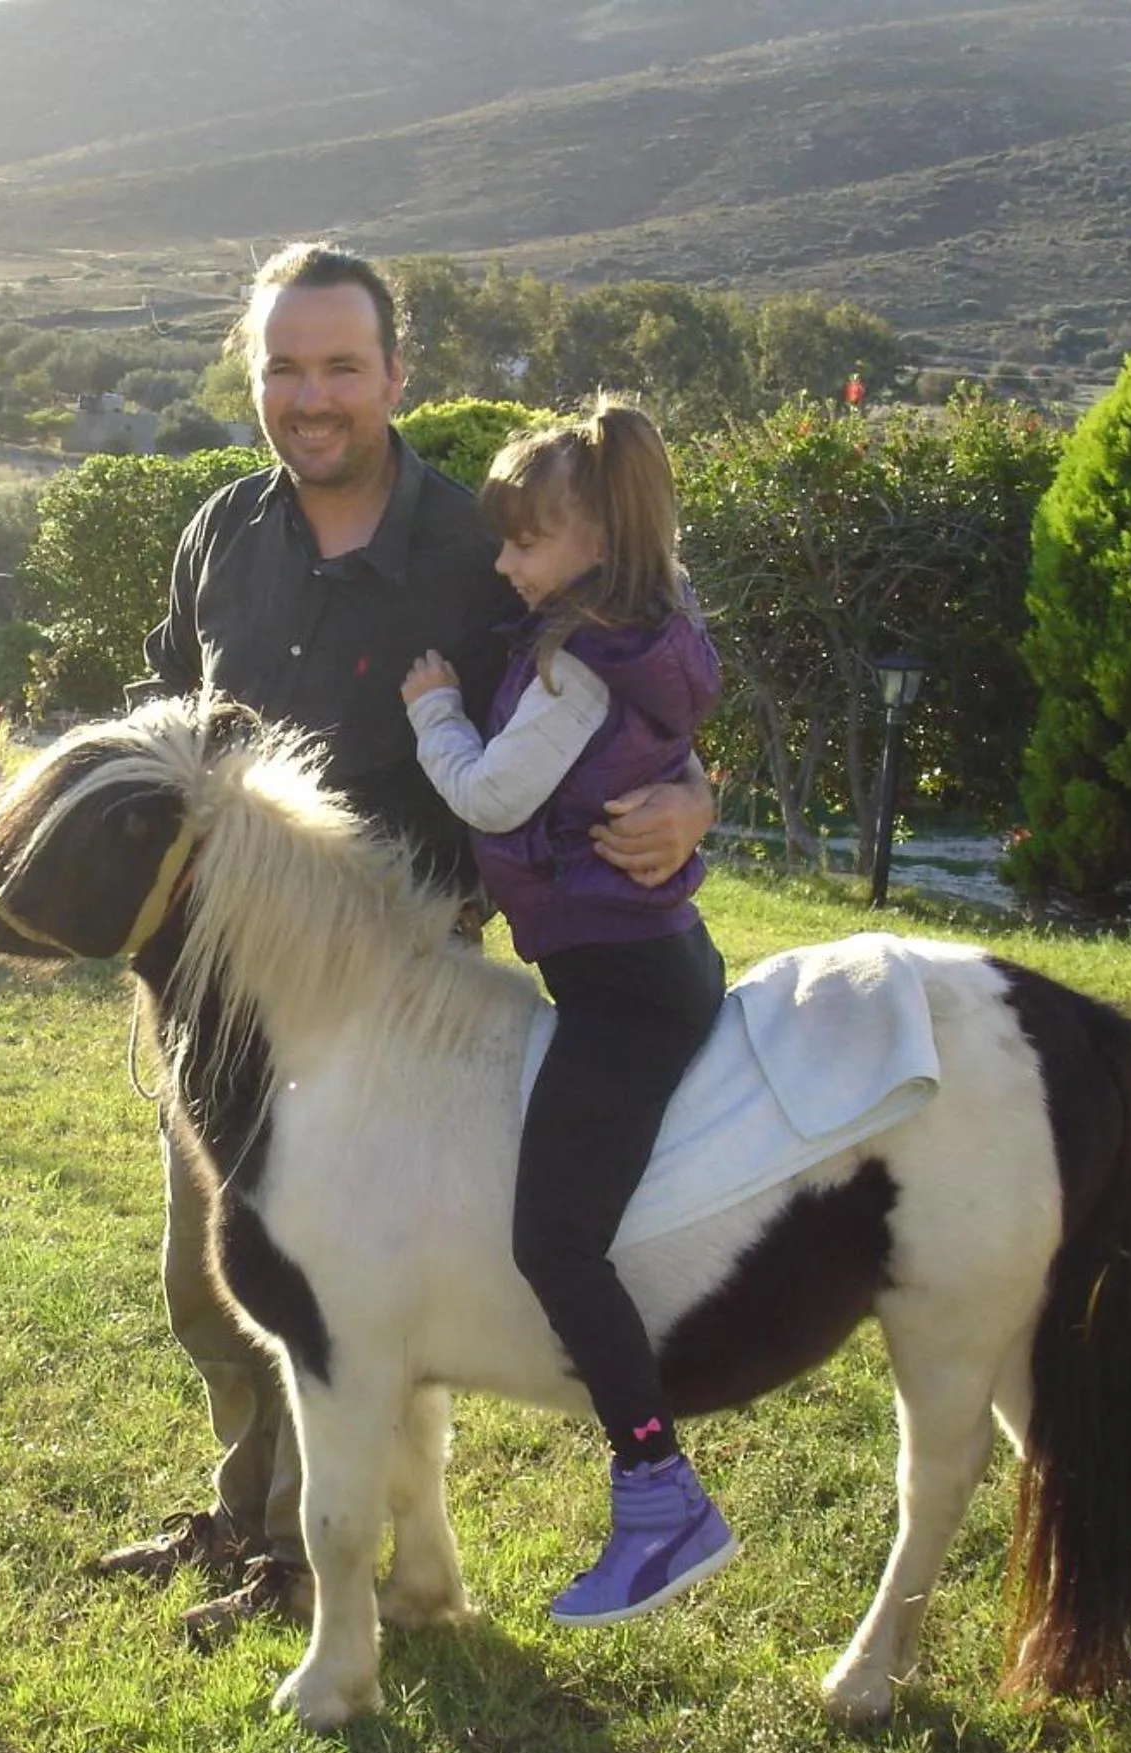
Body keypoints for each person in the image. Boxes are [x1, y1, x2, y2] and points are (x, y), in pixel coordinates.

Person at [98, 241, 715, 1641]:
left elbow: (632, 688)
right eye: (283, 368)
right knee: (217, 1277)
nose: (311, 398)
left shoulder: (476, 550)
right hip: (218, 982)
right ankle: (249, 1514)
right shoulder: (220, 536)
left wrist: (695, 799)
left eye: (340, 368)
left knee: (356, 1296)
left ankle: (323, 1567)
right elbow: (164, 717)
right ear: (251, 373)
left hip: (400, 992)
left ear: (394, 373)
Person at [399, 400, 735, 1625]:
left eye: (526, 542)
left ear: (592, 535)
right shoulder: (650, 619)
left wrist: (434, 707)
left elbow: (491, 799)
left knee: (554, 1240)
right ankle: (655, 1483)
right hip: (655, 960)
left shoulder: (577, 668)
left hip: (624, 991)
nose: (504, 561)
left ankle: (659, 1488)